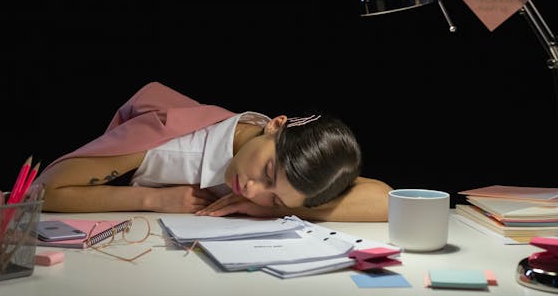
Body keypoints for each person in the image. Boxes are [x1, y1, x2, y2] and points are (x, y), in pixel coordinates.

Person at [36, 81, 391, 222]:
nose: (252, 190)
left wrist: (268, 210)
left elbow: (387, 200)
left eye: (276, 198)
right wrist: (151, 199)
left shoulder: (286, 166)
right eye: (267, 175)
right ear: (276, 124)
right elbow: (44, 191)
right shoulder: (168, 141)